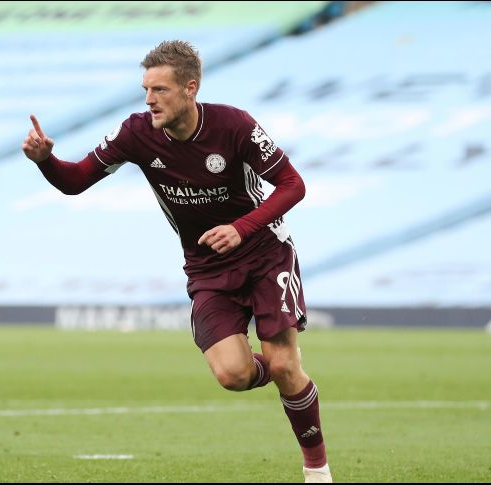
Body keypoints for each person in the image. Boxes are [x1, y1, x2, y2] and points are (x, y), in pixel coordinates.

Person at [21, 41, 331, 483]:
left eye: (160, 90)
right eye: (145, 90)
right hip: (207, 268)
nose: (149, 100)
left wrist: (241, 227)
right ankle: (282, 369)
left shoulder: (234, 125)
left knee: (284, 365)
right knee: (232, 375)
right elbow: (75, 181)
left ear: (190, 88)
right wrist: (46, 161)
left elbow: (292, 184)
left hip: (265, 254)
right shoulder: (135, 133)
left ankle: (317, 470)